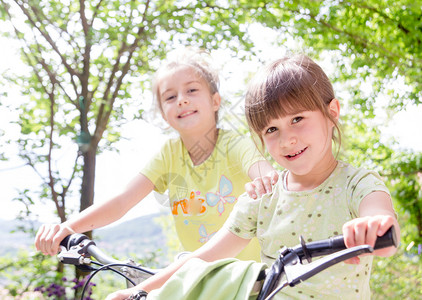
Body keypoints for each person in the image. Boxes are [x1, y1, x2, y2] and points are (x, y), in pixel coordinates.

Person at [106, 54, 400, 300]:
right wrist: (139, 291)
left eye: (297, 119)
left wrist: (372, 227)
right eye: (271, 130)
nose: (286, 140)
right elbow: (202, 259)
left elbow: (386, 231)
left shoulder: (357, 184)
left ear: (331, 111)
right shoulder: (262, 198)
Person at [34, 48, 276, 262]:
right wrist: (67, 227)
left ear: (215, 101)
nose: (181, 100)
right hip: (198, 277)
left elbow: (263, 172)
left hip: (248, 280)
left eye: (191, 90)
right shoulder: (168, 155)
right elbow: (122, 201)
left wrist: (265, 180)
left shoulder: (235, 145)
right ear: (163, 113)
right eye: (170, 97)